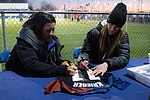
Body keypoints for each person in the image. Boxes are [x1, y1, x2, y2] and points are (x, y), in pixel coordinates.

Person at [5, 12, 77, 77]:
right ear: (39, 28)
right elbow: (32, 65)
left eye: (53, 30)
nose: (52, 33)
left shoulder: (49, 39)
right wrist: (62, 70)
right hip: (15, 78)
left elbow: (55, 57)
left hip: (35, 77)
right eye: (48, 30)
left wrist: (64, 62)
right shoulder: (25, 40)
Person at [78, 3, 130, 76]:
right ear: (107, 22)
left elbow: (124, 57)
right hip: (92, 68)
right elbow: (85, 51)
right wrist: (84, 60)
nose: (112, 29)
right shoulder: (94, 33)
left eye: (116, 27)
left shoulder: (123, 36)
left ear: (120, 27)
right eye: (111, 25)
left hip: (111, 70)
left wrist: (107, 64)